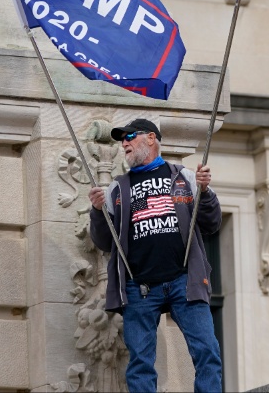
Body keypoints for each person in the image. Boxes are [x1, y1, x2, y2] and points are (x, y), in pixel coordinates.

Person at [87, 118, 223, 393]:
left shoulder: (183, 177)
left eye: (130, 137)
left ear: (151, 138)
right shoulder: (117, 188)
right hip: (140, 288)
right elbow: (103, 242)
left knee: (207, 351)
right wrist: (98, 211)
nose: (124, 143)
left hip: (185, 281)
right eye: (121, 139)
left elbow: (211, 223)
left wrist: (205, 192)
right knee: (140, 364)